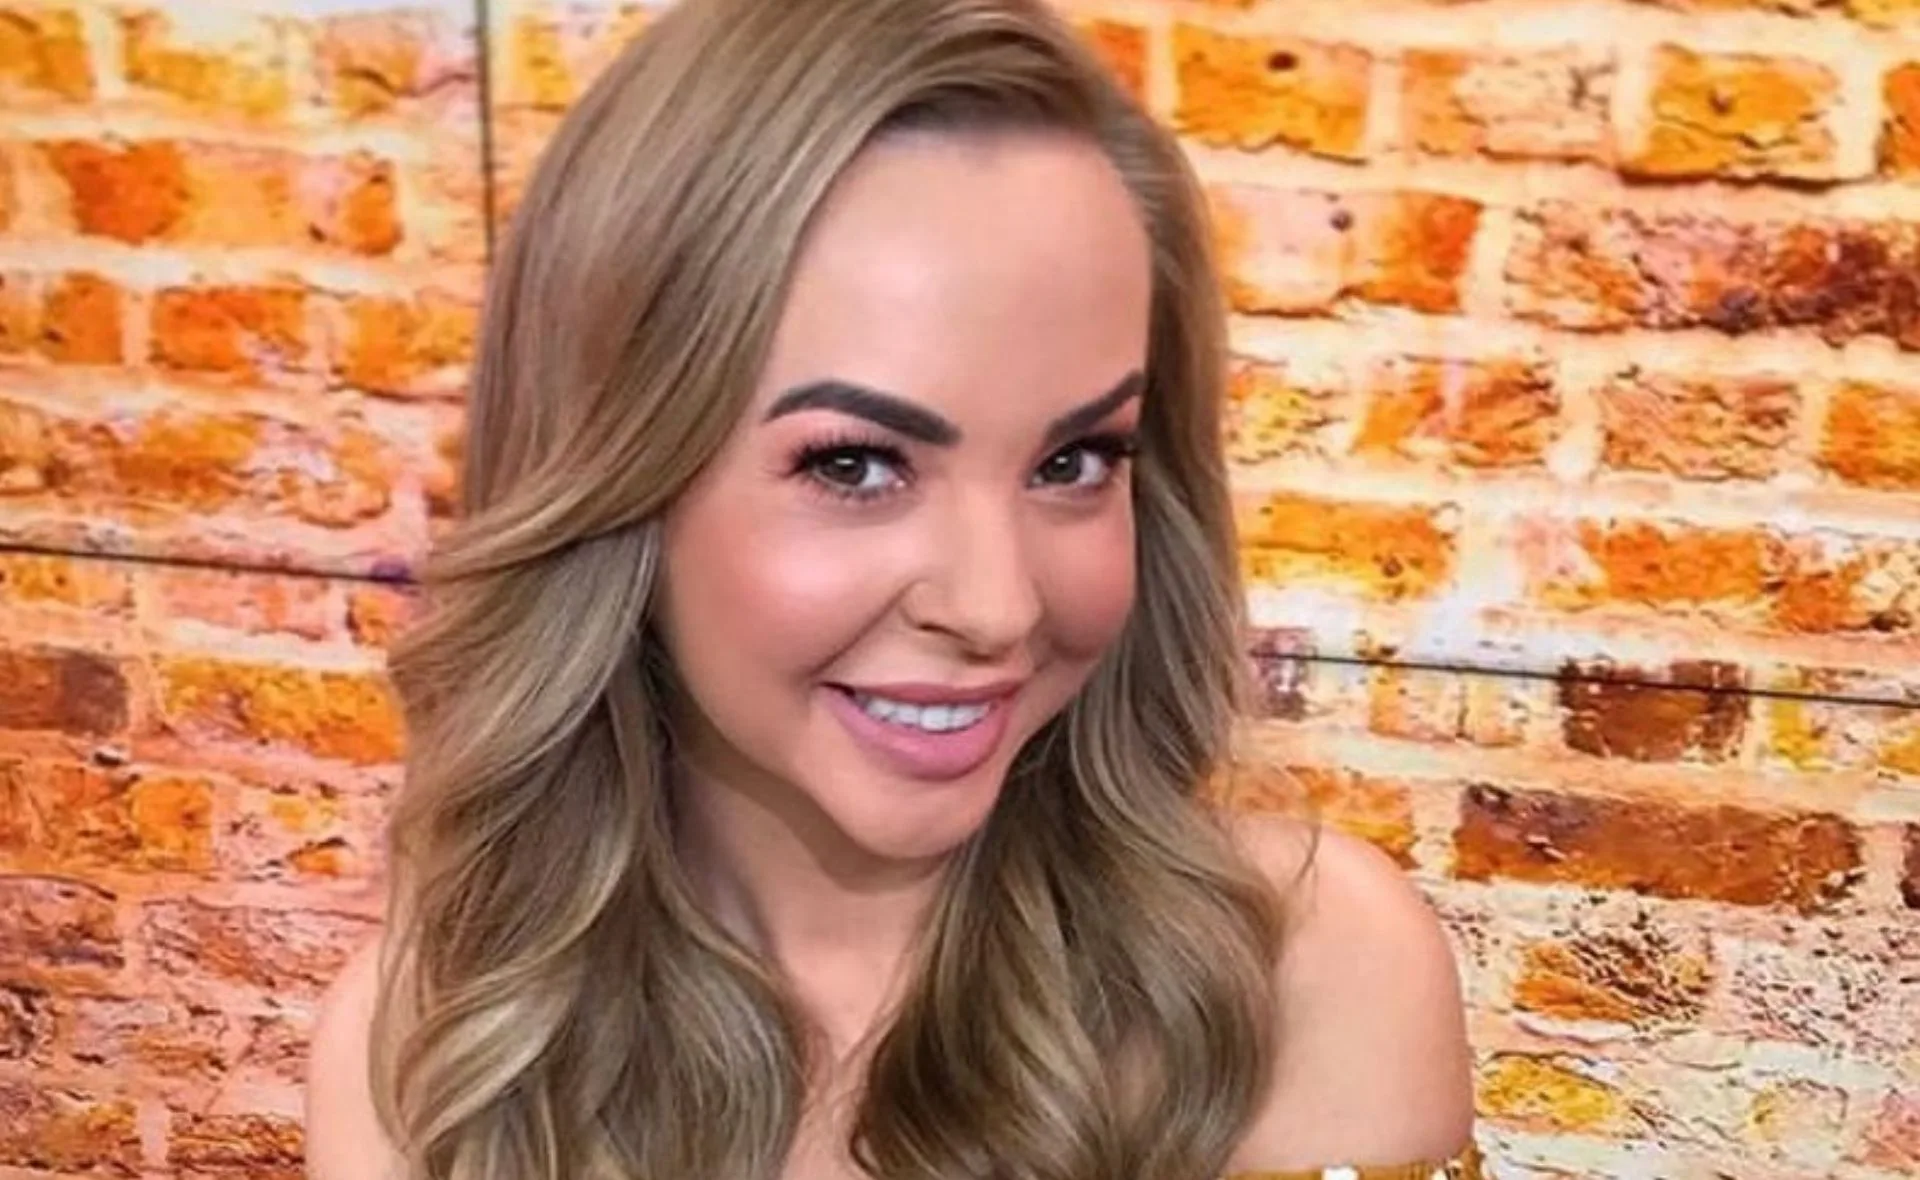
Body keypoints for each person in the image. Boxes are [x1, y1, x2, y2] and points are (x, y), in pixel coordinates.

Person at [303, 0, 1477, 1176]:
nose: (997, 605)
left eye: (1073, 462)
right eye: (855, 465)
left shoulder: (1309, 971)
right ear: (620, 478)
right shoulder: (432, 1054)